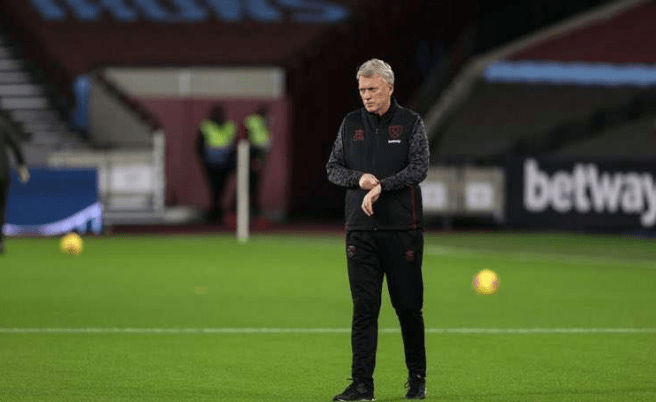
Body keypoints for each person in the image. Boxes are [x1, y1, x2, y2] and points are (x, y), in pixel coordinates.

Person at [326, 59, 429, 401]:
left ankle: (417, 379)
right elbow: (333, 168)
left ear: (389, 87)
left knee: (408, 308)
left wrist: (383, 186)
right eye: (362, 90)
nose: (366, 95)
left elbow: (419, 168)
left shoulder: (411, 123)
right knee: (364, 310)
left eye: (372, 89)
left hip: (402, 230)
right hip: (360, 232)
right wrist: (359, 179)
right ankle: (362, 385)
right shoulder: (350, 123)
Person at [197, 103, 237, 223]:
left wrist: (232, 161)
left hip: (225, 163)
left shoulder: (230, 126)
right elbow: (199, 145)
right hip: (211, 163)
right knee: (214, 189)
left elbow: (234, 144)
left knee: (222, 188)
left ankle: (218, 211)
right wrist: (204, 160)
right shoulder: (206, 126)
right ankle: (215, 211)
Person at [0, 111, 30, 254]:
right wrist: (21, 166)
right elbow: (15, 144)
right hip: (2, 173)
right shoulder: (2, 123)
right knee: (1, 207)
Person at [243, 106, 271, 226]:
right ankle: (246, 214)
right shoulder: (251, 122)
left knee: (254, 188)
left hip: (257, 159)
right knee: (248, 188)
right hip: (249, 158)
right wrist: (252, 159)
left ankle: (254, 214)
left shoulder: (265, 126)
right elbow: (245, 141)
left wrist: (260, 160)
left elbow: (265, 146)